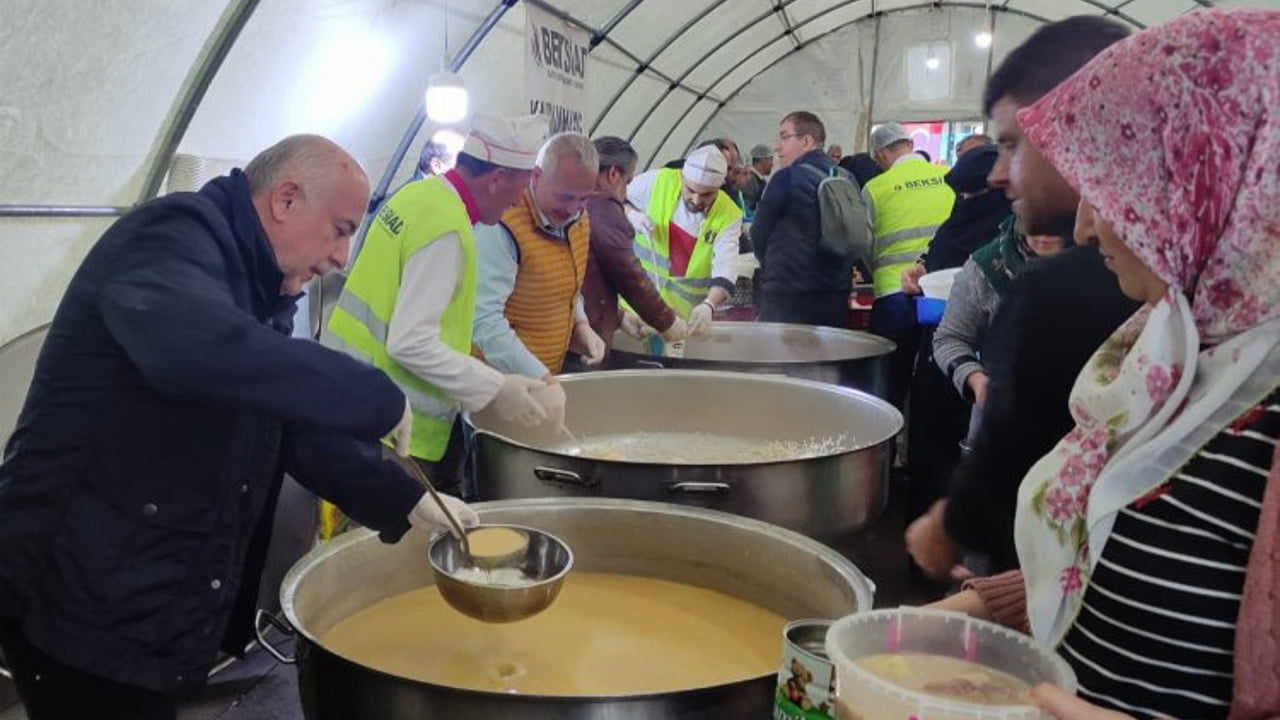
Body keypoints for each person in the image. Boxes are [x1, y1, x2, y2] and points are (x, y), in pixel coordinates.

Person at [0, 135, 479, 719]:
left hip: (137, 594)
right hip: (74, 596)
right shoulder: (168, 239)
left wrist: (405, 500)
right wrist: (369, 392)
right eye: (341, 228)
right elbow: (197, 350)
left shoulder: (258, 283)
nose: (343, 256)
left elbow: (286, 425)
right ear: (285, 201)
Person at [935, 11, 1280, 718]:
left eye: (1119, 189)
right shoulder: (1171, 357)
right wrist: (995, 606)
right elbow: (1121, 569)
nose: (1088, 226)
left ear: (1213, 182)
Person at [905, 16, 1137, 577]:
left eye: (1011, 144)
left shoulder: (1063, 290)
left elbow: (1008, 468)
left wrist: (948, 529)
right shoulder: (1178, 291)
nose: (996, 175)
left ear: (1081, 133)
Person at [326, 114, 554, 497]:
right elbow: (410, 341)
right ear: (496, 178)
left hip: (353, 400)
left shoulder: (417, 195)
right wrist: (497, 387)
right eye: (518, 187)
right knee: (399, 546)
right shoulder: (447, 227)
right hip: (397, 432)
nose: (518, 200)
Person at [901, 143, 1013, 527]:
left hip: (983, 365)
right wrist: (919, 268)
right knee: (928, 446)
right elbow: (938, 248)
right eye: (960, 194)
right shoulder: (960, 215)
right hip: (937, 346)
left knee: (968, 454)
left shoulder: (1008, 243)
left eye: (974, 194)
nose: (965, 202)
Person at [472, 132, 605, 391]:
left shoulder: (578, 218)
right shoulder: (501, 226)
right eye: (564, 197)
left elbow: (568, 283)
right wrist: (540, 377)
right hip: (499, 385)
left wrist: (581, 324)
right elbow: (484, 321)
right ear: (536, 176)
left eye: (584, 198)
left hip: (544, 376)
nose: (573, 209)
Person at [862, 121, 956, 408]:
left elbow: (865, 244)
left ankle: (887, 446)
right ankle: (925, 447)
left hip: (894, 295)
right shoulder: (948, 175)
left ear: (880, 154)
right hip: (944, 294)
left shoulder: (876, 188)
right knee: (939, 376)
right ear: (910, 145)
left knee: (889, 382)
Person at [751, 110, 861, 328]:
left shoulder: (787, 178)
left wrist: (771, 267)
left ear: (807, 141)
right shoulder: (847, 178)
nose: (777, 147)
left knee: (783, 360)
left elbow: (758, 233)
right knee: (827, 359)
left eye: (784, 136)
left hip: (788, 295)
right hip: (836, 293)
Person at [581, 136, 686, 357]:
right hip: (585, 338)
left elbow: (588, 274)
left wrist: (619, 317)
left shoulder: (575, 201)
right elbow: (626, 271)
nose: (626, 193)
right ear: (613, 174)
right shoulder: (603, 207)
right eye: (627, 182)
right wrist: (666, 320)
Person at [628, 144, 742, 336]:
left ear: (719, 187)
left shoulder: (729, 214)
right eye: (690, 190)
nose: (696, 200)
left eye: (707, 194)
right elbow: (611, 198)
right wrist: (630, 213)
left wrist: (709, 304)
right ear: (682, 176)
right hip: (635, 307)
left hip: (683, 318)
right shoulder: (657, 181)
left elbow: (726, 265)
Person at [741, 143, 773, 211]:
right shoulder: (750, 179)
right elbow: (746, 207)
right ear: (761, 160)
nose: (772, 163)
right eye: (770, 159)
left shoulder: (760, 181)